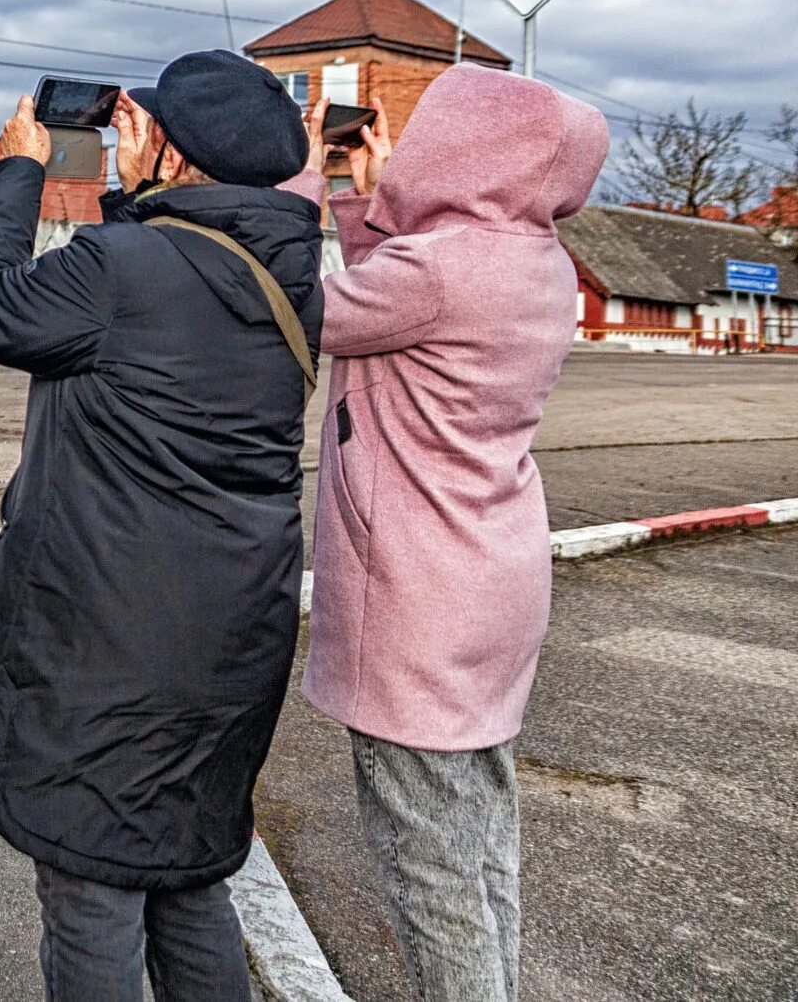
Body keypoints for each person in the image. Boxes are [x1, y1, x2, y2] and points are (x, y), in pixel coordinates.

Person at [0, 50, 327, 1002]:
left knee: (92, 894)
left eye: (140, 125)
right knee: (188, 881)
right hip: (232, 636)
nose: (125, 136)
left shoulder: (122, 269)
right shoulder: (290, 273)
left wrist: (19, 171)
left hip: (109, 642)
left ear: (172, 147)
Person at [290, 66, 607, 1002]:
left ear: (465, 147)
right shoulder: (536, 260)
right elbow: (396, 288)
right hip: (492, 576)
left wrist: (308, 183)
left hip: (417, 592)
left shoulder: (437, 269)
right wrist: (371, 192)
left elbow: (304, 310)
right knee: (479, 838)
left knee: (425, 863)